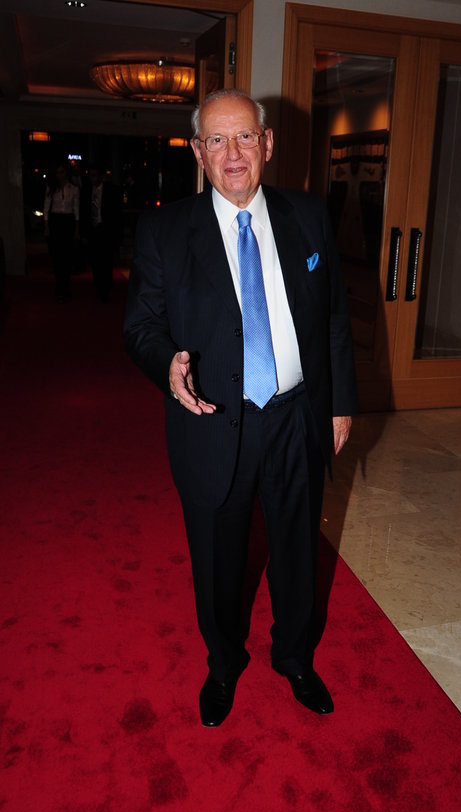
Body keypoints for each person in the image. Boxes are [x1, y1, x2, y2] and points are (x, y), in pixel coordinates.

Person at [123, 89, 359, 727]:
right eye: (217, 140)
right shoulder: (165, 230)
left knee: (297, 551)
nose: (233, 153)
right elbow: (140, 326)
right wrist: (166, 366)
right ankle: (223, 665)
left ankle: (296, 658)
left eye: (246, 136)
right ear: (198, 151)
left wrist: (339, 404)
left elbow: (333, 318)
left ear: (268, 143)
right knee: (218, 559)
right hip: (211, 420)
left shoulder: (308, 216)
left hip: (296, 416)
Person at [80, 165, 122, 301]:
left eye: (95, 175)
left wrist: (116, 236)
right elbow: (83, 213)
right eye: (91, 175)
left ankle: (105, 289)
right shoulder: (86, 190)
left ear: (101, 176)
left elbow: (116, 215)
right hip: (93, 231)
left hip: (106, 230)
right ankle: (99, 287)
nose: (92, 178)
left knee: (106, 262)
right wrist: (84, 233)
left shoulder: (111, 191)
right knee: (95, 261)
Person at [43, 163, 80, 301]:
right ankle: (59, 287)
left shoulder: (74, 189)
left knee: (67, 257)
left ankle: (66, 287)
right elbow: (46, 207)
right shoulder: (51, 187)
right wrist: (46, 226)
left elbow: (76, 209)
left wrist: (76, 229)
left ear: (66, 173)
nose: (60, 175)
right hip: (56, 221)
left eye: (62, 172)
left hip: (68, 221)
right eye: (58, 172)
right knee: (57, 257)